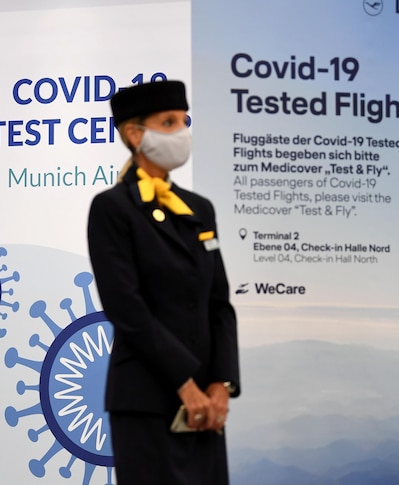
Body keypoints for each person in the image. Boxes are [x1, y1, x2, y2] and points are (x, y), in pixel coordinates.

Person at [87, 80, 240, 485]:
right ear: (134, 134)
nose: (181, 132)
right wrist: (184, 384)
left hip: (205, 408)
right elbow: (127, 309)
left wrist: (220, 384)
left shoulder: (199, 210)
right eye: (168, 122)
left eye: (183, 121)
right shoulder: (112, 209)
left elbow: (218, 304)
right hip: (149, 400)